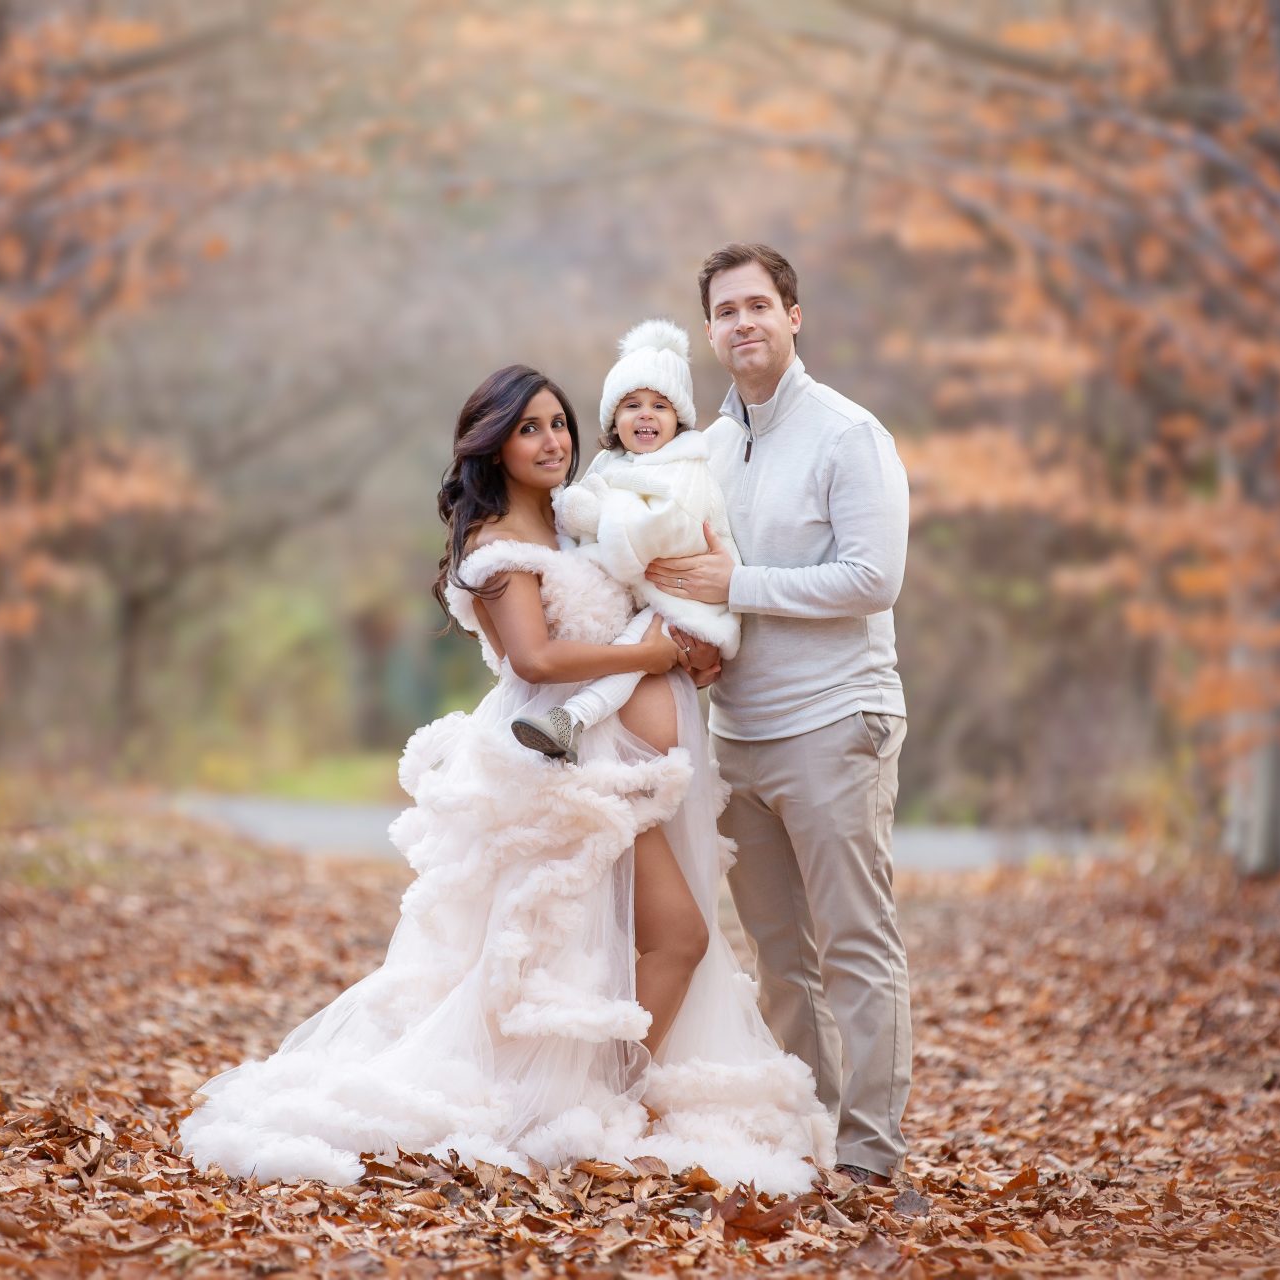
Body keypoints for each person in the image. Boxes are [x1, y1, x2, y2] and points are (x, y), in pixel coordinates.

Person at [179, 364, 832, 1195]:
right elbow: (537, 659)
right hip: (552, 768)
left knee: (651, 945)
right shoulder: (497, 546)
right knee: (596, 952)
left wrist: (689, 650)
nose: (553, 440)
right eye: (529, 428)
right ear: (495, 445)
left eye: (559, 423)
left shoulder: (576, 522)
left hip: (616, 773)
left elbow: (634, 606)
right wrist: (651, 656)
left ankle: (600, 1106)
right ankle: (572, 1113)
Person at [644, 243, 913, 1186]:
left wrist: (740, 585)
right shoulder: (705, 448)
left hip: (836, 724)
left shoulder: (849, 435)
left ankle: (873, 1159)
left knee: (854, 945)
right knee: (780, 960)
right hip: (739, 739)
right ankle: (814, 1139)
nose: (744, 322)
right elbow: (690, 581)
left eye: (760, 305)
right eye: (726, 311)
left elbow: (875, 579)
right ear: (711, 332)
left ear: (794, 317)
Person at [510, 319, 740, 764]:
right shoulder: (610, 463)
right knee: (624, 645)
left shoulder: (687, 468)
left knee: (637, 647)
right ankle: (572, 724)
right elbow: (579, 518)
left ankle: (572, 718)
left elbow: (665, 529)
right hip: (648, 590)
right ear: (614, 418)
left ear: (679, 420)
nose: (646, 415)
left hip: (689, 600)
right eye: (632, 404)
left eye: (660, 405)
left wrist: (596, 516)